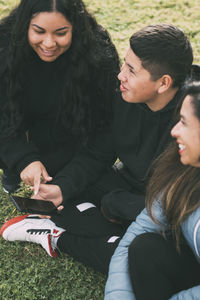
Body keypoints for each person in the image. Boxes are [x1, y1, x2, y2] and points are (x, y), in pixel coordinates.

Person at [0, 24, 195, 275]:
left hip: (169, 207)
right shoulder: (124, 97)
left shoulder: (193, 117)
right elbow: (98, 152)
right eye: (124, 64)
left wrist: (117, 204)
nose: (120, 75)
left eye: (131, 70)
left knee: (145, 257)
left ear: (163, 83)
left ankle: (59, 238)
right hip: (127, 184)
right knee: (65, 196)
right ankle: (105, 230)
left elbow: (182, 207)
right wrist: (62, 189)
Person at [0, 0, 120, 195]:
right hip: (20, 122)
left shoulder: (98, 56)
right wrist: (24, 159)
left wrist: (66, 182)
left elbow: (106, 128)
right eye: (39, 31)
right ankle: (13, 168)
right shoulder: (4, 46)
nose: (49, 43)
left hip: (69, 128)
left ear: (76, 28)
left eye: (61, 33)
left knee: (65, 173)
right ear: (24, 26)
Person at [104, 81, 200, 299]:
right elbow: (138, 232)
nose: (174, 131)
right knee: (145, 248)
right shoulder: (184, 172)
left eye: (184, 123)